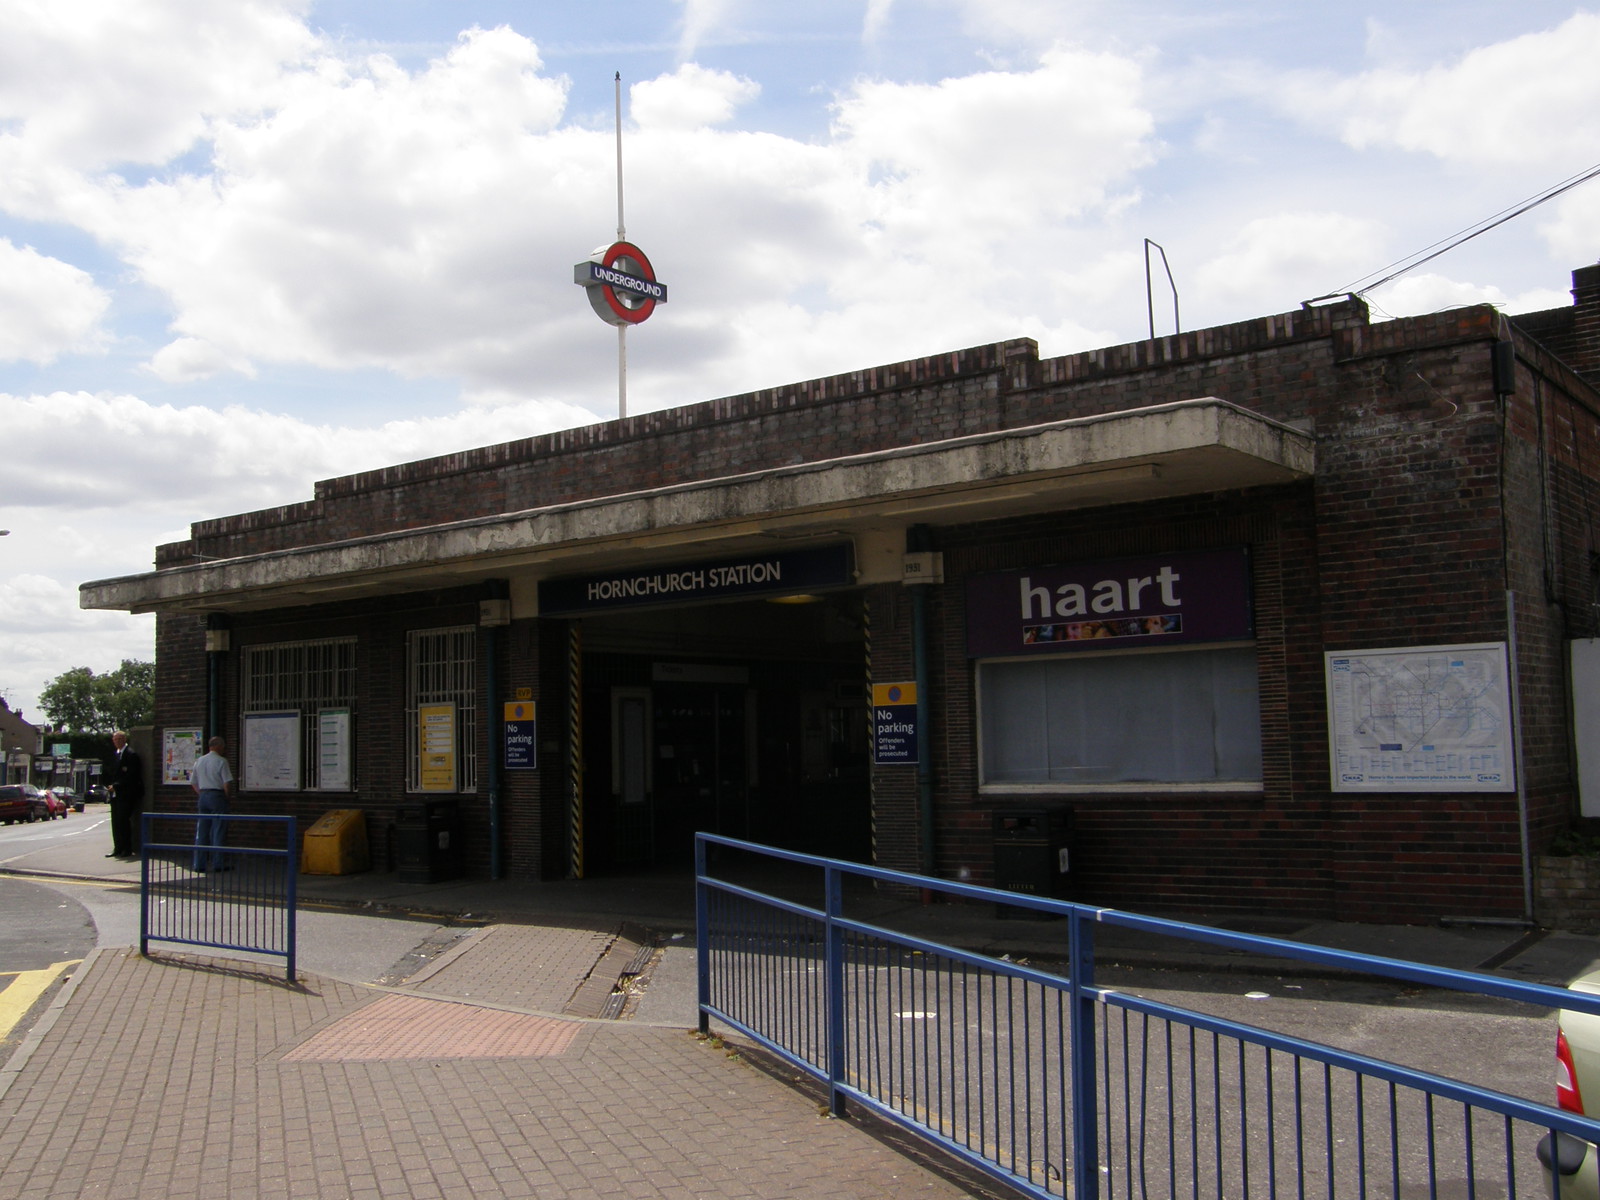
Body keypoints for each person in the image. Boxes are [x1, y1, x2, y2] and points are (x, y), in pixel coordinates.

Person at [189, 736, 235, 872]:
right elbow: (227, 783)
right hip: (217, 795)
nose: (224, 749)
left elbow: (193, 782)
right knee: (218, 830)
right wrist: (227, 797)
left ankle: (199, 864)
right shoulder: (222, 761)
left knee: (202, 831)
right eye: (223, 746)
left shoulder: (200, 760)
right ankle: (218, 863)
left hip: (203, 795)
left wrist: (202, 794)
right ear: (218, 746)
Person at [105, 730, 144, 859]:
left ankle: (127, 849)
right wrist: (111, 786)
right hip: (115, 795)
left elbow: (131, 775)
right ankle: (117, 848)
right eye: (115, 740)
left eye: (120, 739)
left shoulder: (131, 755)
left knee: (123, 821)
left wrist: (116, 786)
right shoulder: (115, 755)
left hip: (127, 794)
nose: (117, 742)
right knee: (115, 822)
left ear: (125, 739)